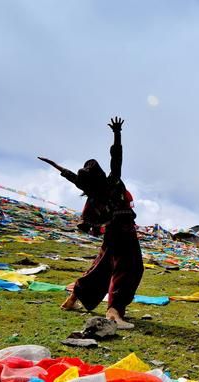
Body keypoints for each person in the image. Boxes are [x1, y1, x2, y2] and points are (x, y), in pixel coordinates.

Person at [37, 117, 143, 329]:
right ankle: (114, 312)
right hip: (124, 231)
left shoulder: (93, 191)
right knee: (130, 267)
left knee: (102, 267)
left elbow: (69, 176)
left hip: (111, 232)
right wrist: (117, 134)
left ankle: (76, 295)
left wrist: (54, 165)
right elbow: (117, 157)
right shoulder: (111, 182)